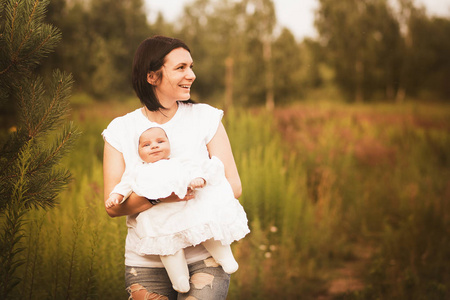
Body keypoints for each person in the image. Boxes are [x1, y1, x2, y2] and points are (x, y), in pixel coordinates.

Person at [102, 35, 246, 300]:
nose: (191, 75)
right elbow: (112, 207)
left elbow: (233, 186)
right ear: (152, 77)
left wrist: (190, 186)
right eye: (180, 68)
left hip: (205, 256)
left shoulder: (205, 117)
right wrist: (160, 196)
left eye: (191, 66)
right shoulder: (120, 130)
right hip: (145, 262)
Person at [105, 125, 249, 293]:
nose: (154, 146)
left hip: (185, 211)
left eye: (160, 141)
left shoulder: (177, 163)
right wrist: (116, 196)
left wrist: (198, 178)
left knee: (204, 229)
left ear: (169, 145)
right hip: (159, 218)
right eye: (146, 145)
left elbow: (194, 170)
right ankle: (179, 279)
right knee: (167, 247)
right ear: (138, 152)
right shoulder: (137, 170)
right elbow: (125, 185)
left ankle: (224, 257)